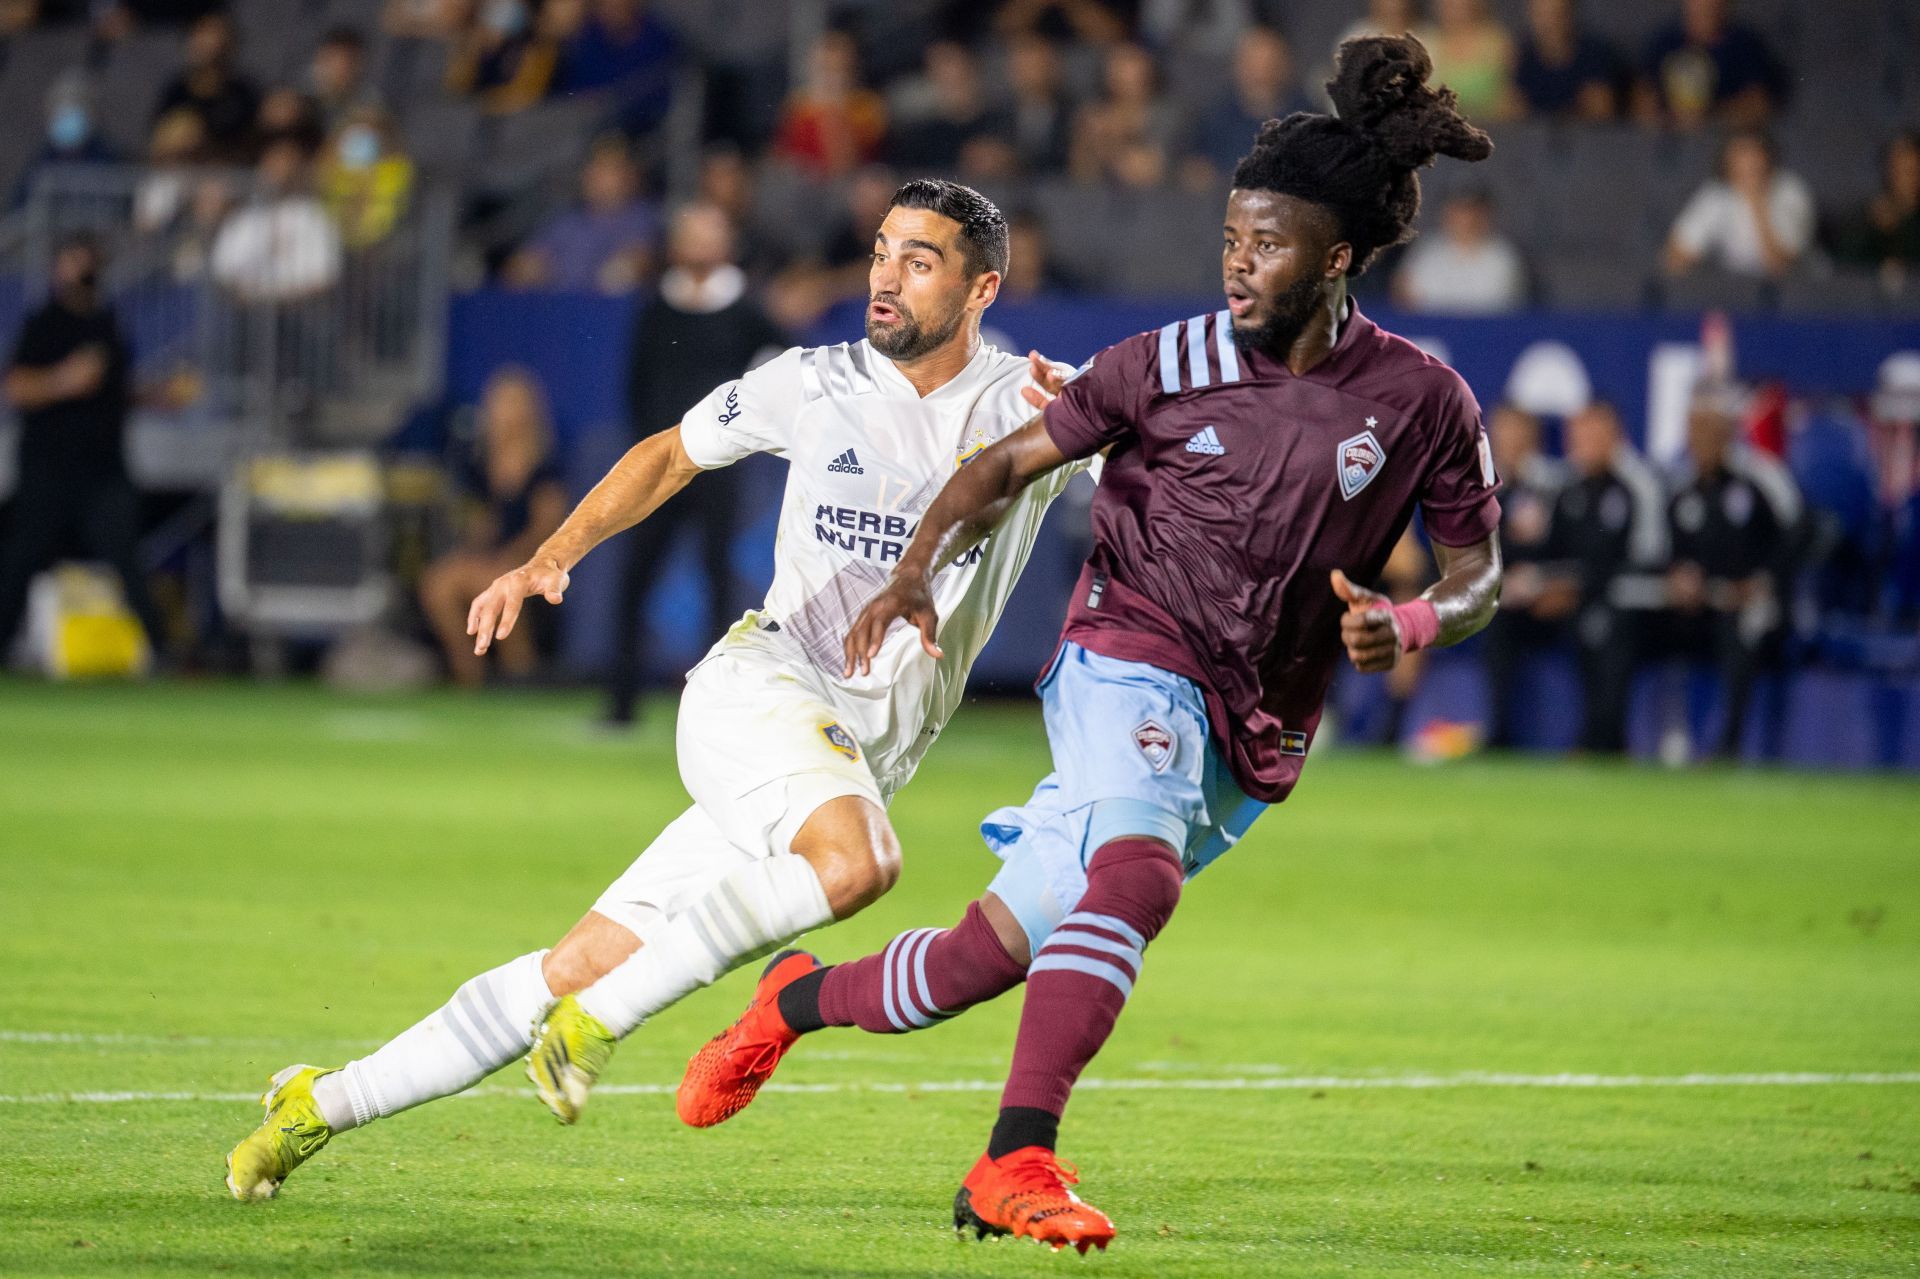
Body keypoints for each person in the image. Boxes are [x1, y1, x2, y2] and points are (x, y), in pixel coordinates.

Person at [678, 35, 1504, 1252]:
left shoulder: (1425, 400)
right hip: (1128, 656)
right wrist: (913, 573)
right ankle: (1018, 1159)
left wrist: (1417, 617)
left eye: (1264, 245)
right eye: (1229, 237)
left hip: (1255, 725)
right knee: (1137, 880)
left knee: (983, 955)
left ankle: (790, 1000)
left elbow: (1481, 572)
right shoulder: (1162, 364)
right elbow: (1003, 464)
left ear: (1336, 259)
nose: (1236, 264)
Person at [221, 179, 1080, 1200]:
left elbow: (1185, 460)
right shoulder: (812, 380)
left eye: (919, 260)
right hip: (762, 691)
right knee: (858, 866)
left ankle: (321, 1103)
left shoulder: (1042, 405)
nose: (885, 278)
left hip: (842, 759)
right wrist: (549, 556)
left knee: (577, 959)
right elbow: (671, 453)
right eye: (881, 251)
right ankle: (605, 1023)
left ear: (983, 286)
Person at [606, 202, 787, 726]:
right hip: (660, 466)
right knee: (635, 577)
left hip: (718, 469)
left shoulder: (748, 310)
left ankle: (715, 709)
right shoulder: (655, 307)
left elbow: (779, 374)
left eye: (710, 234)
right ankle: (621, 704)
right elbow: (637, 384)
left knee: (717, 584)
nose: (699, 244)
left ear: (728, 243)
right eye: (691, 234)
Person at [0, 235, 165, 662]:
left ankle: (165, 653)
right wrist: (63, 381)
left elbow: (113, 391)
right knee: (22, 558)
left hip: (103, 468)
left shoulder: (108, 326)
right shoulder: (45, 323)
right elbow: (16, 387)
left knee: (126, 558)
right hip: (49, 466)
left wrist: (156, 395)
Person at [1660, 391, 1794, 759]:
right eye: (1695, 429)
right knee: (1637, 624)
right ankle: (1663, 736)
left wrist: (1760, 583)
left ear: (1730, 431)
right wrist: (1679, 577)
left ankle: (1729, 744)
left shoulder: (1760, 479)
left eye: (1711, 429)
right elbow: (1670, 552)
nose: (1702, 439)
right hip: (1703, 603)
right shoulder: (1682, 490)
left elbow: (1796, 539)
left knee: (1742, 629)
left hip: (1756, 602)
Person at [419, 369, 568, 686]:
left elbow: (548, 525)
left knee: (498, 581)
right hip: (488, 555)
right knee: (439, 583)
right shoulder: (479, 462)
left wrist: (514, 558)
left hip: (531, 558)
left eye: (512, 404)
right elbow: (479, 524)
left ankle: (520, 671)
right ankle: (468, 671)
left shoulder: (544, 465)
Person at [1539, 400, 1667, 754]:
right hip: (1582, 598)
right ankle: (1500, 731)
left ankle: (1605, 738)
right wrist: (1544, 584)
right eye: (1578, 434)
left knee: (1607, 625)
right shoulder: (1569, 488)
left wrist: (1579, 587)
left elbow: (1649, 558)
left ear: (1616, 436)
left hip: (1635, 600)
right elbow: (1554, 552)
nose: (1584, 442)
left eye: (1593, 433)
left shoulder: (1637, 486)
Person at [1476, 403, 1569, 748]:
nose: (1510, 442)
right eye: (1503, 433)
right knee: (1494, 622)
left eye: (1519, 433)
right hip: (1502, 600)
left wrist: (1544, 579)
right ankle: (1497, 730)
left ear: (1534, 438)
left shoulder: (1556, 488)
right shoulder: (1484, 488)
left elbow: (1568, 546)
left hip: (1550, 598)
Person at [502, 136, 660, 294]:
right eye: (595, 169)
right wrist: (527, 267)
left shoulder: (643, 217)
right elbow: (523, 263)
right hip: (559, 305)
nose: (598, 178)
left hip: (611, 308)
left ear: (631, 175)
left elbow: (641, 260)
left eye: (609, 170)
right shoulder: (567, 219)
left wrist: (625, 269)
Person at [1663, 128, 1813, 281]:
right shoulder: (1716, 195)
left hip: (1799, 291)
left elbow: (1779, 266)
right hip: (1736, 292)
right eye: (1741, 154)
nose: (1747, 163)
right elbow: (1674, 258)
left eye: (1753, 155)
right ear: (1727, 163)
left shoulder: (1790, 191)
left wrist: (1756, 202)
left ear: (1767, 158)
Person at [1183, 27, 1315, 182]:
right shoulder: (1216, 116)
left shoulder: (1309, 121)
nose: (1261, 75)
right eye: (1253, 65)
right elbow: (1196, 167)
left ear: (1286, 67)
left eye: (1270, 64)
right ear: (1238, 66)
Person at [1635, 0, 1787, 128]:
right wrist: (1668, 118)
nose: (1704, 6)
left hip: (1722, 138)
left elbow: (1758, 103)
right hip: (1670, 140)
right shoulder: (1665, 41)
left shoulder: (1744, 45)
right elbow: (1643, 97)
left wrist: (1710, 116)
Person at [771, 30, 887, 179]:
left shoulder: (867, 107)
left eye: (837, 70)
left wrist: (832, 110)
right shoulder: (798, 106)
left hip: (854, 186)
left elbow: (845, 166)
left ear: (851, 70)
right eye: (823, 69)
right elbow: (781, 160)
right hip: (805, 186)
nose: (829, 77)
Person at [150, 10, 260, 162]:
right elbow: (157, 146)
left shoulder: (242, 94)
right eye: (203, 34)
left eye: (217, 36)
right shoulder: (176, 90)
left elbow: (252, 146)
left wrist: (207, 146)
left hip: (226, 173)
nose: (211, 44)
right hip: (179, 170)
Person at [1392, 188, 1527, 313]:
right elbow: (1403, 299)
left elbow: (1508, 312)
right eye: (1459, 210)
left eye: (1473, 211)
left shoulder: (1503, 257)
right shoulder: (1426, 252)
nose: (1466, 219)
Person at [1510, 0, 1620, 121]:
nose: (1548, 24)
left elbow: (1600, 110)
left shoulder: (1593, 53)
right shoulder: (1524, 57)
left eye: (1556, 15)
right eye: (1540, 16)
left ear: (1569, 15)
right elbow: (1512, 110)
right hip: (1535, 137)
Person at [1838, 130, 1920, 286]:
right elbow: (1846, 265)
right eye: (1897, 171)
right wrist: (1879, 231)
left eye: (1911, 171)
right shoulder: (1868, 219)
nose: (1903, 179)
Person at [1413, 0, 1514, 121]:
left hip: (1494, 129)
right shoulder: (1427, 44)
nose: (1456, 3)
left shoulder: (1498, 44)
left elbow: (1510, 102)